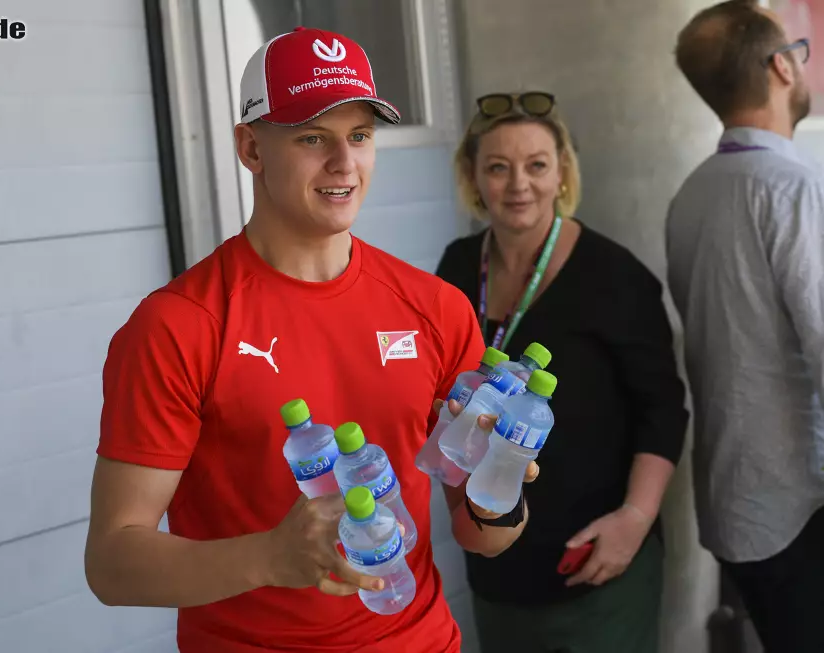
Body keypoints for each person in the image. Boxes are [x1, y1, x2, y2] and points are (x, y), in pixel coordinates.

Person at [83, 27, 537, 653]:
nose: (343, 164)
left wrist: (499, 492)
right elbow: (111, 563)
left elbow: (480, 533)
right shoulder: (178, 326)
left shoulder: (434, 308)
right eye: (311, 137)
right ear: (250, 148)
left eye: (359, 136)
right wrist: (271, 555)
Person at [435, 91, 688, 653]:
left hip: (596, 559)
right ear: (473, 178)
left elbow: (664, 411)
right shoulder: (454, 267)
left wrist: (635, 518)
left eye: (536, 165)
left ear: (562, 173)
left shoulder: (615, 275)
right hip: (496, 556)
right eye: (497, 167)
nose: (518, 184)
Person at [668, 2, 824, 651]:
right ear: (780, 66)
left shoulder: (692, 194)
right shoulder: (788, 187)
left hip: (737, 498)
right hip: (800, 506)